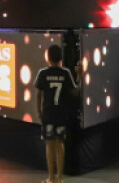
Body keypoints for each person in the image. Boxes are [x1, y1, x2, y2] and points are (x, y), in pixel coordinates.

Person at [34, 44, 81, 183]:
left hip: (48, 114)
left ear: (48, 58)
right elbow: (75, 91)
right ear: (61, 58)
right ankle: (60, 178)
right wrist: (79, 76)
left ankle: (51, 177)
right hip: (61, 114)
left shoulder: (42, 73)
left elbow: (38, 94)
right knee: (60, 144)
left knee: (49, 145)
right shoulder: (65, 73)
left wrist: (39, 112)